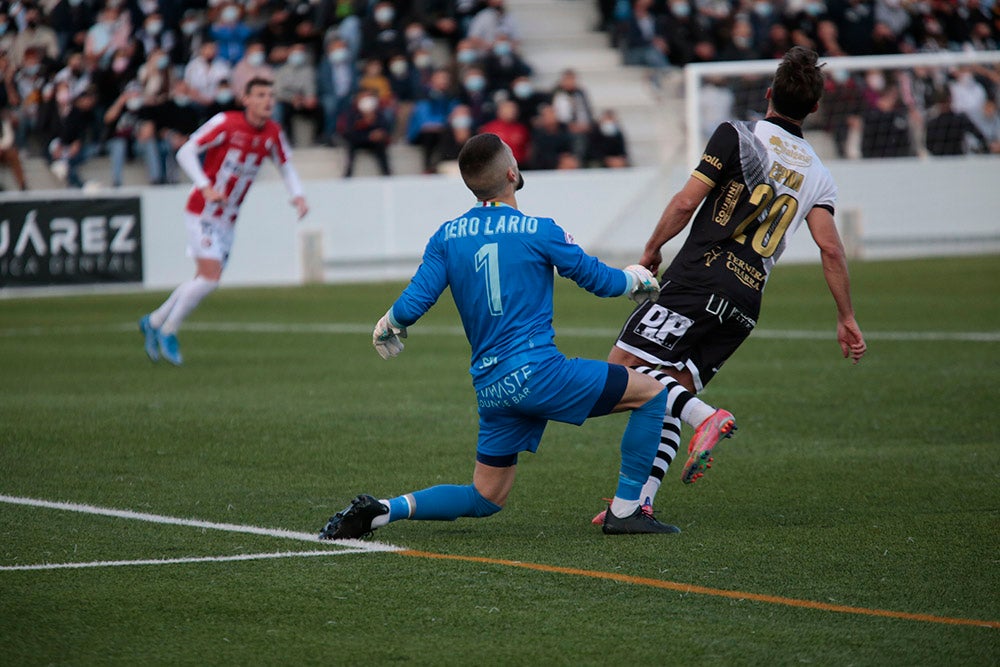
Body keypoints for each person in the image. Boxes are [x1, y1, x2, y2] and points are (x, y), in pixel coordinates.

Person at [319, 133, 734, 540]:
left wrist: (388, 323)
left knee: (486, 496)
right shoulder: (539, 229)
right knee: (650, 394)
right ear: (513, 173)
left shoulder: (447, 236)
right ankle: (626, 511)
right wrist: (636, 280)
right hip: (539, 374)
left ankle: (382, 511)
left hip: (492, 387)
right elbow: (597, 280)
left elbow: (413, 304)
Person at [598, 47, 866, 522]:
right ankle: (638, 506)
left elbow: (685, 203)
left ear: (768, 94)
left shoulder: (738, 136)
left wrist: (651, 250)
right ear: (815, 109)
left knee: (621, 368)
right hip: (745, 302)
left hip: (698, 278)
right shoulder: (820, 176)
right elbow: (831, 249)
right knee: (666, 394)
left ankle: (706, 416)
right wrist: (846, 317)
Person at [138, 78, 309, 366]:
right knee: (210, 278)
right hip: (202, 210)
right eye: (260, 95)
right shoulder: (226, 123)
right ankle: (168, 330)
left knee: (202, 279)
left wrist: (299, 196)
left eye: (271, 95)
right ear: (246, 99)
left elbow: (286, 165)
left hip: (228, 220)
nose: (268, 101)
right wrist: (205, 185)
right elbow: (186, 151)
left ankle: (153, 320)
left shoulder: (272, 132)